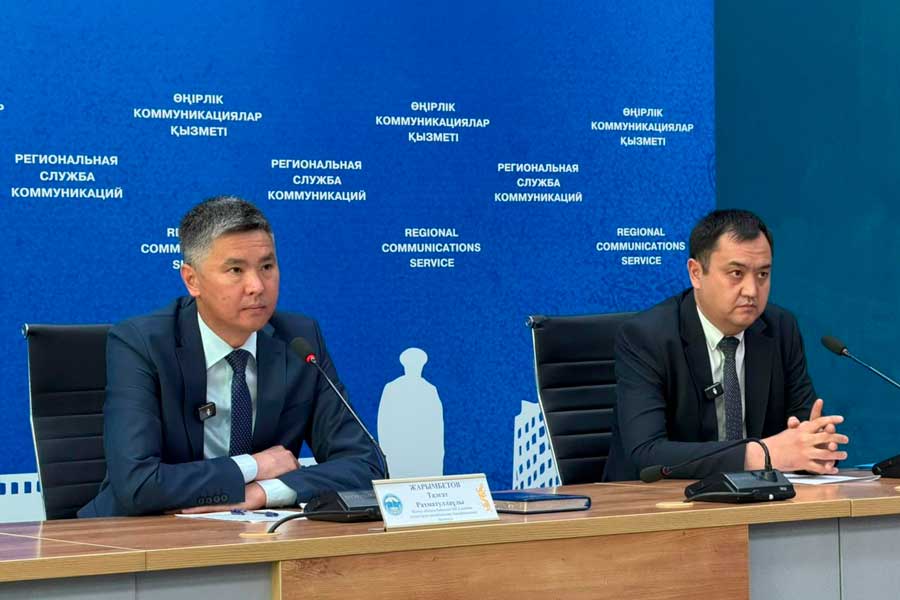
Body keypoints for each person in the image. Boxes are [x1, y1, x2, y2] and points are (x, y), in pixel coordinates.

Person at [79, 196, 383, 517]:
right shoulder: (142, 343)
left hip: (255, 531)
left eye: (267, 267)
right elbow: (137, 483)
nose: (257, 286)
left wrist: (264, 491)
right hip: (136, 533)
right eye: (236, 270)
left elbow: (367, 464)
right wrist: (253, 466)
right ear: (192, 280)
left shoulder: (298, 340)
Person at [604, 209, 848, 481]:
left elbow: (802, 425)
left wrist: (813, 446)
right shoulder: (647, 337)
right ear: (696, 273)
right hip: (652, 500)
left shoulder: (780, 328)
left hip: (757, 496)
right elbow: (646, 453)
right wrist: (760, 454)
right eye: (736, 273)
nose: (752, 290)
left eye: (763, 274)